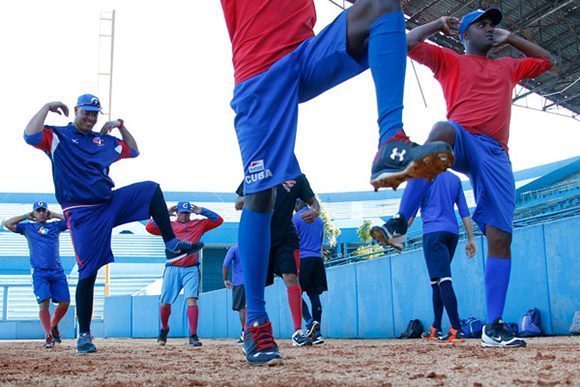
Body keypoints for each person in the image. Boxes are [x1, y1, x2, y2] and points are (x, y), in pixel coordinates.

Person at [221, 0, 453, 366]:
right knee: (260, 197)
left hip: (305, 55)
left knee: (381, 6)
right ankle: (255, 321)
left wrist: (434, 24)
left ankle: (391, 140)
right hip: (259, 74)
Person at [371, 8, 554, 348]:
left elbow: (546, 61)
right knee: (442, 128)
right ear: (464, 35)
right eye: (481, 25)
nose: (489, 29)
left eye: (492, 25)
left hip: (496, 154)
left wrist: (511, 38)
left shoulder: (507, 66)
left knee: (501, 238)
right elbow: (406, 42)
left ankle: (493, 326)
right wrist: (437, 24)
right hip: (463, 140)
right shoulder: (450, 60)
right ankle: (399, 222)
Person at [23, 94, 203, 353]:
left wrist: (120, 125)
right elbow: (29, 136)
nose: (91, 117)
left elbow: (135, 150)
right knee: (88, 272)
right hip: (82, 213)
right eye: (86, 112)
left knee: (151, 190)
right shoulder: (58, 136)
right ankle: (84, 334)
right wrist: (45, 107)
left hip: (110, 203)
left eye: (95, 113)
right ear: (75, 110)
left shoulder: (103, 141)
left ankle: (172, 244)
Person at [235, 174, 322, 352]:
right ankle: (249, 330)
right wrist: (254, 196)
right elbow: (238, 203)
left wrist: (316, 211)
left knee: (291, 278)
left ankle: (298, 331)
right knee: (255, 287)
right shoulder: (257, 171)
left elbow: (314, 202)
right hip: (259, 235)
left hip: (285, 237)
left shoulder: (297, 176)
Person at [401, 172, 476, 342]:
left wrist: (398, 236)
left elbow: (411, 214)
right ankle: (435, 328)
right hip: (452, 233)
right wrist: (470, 238)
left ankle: (456, 328)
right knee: (437, 281)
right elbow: (464, 210)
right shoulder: (454, 179)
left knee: (444, 280)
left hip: (433, 234)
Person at [146, 201, 223, 347]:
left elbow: (218, 220)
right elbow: (150, 228)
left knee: (192, 300)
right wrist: (165, 214)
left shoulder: (198, 224)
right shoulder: (168, 225)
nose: (185, 215)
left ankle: (193, 335)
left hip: (191, 268)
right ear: (177, 212)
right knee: (165, 303)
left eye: (187, 213)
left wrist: (203, 211)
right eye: (182, 212)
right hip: (172, 268)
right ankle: (164, 328)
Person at [3, 201, 70, 348]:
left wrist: (54, 215)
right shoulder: (28, 227)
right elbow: (7, 224)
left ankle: (53, 325)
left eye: (43, 210)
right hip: (39, 271)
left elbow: (72, 221)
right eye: (38, 211)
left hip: (57, 269)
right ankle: (48, 336)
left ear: (47, 212)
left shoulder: (55, 226)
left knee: (65, 302)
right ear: (34, 213)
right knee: (44, 303)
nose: (41, 213)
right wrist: (26, 216)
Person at [292, 199, 327, 345]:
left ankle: (309, 322)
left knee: (295, 294)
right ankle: (317, 334)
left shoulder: (295, 219)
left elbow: (293, 241)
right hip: (317, 259)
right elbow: (320, 240)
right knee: (314, 295)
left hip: (302, 260)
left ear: (297, 204)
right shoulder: (319, 220)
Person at [222, 244, 246, 343]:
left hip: (239, 281)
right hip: (254, 281)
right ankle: (255, 333)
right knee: (253, 307)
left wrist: (225, 279)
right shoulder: (253, 246)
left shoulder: (234, 248)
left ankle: (245, 332)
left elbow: (226, 264)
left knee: (242, 308)